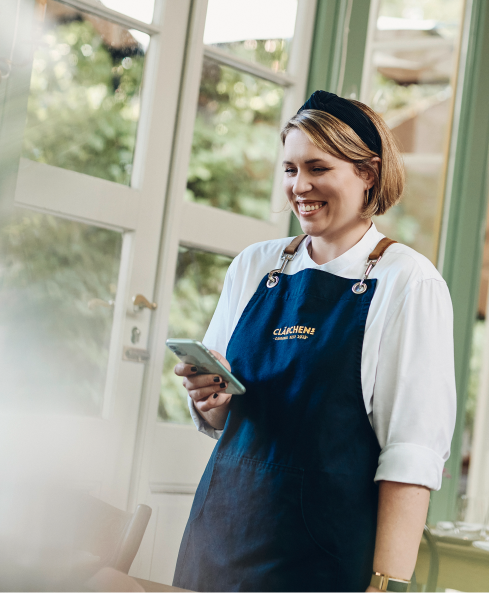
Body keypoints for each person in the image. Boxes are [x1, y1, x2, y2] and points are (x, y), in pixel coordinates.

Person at [172, 90, 456, 593]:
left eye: (318, 168)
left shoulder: (408, 282)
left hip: (323, 560)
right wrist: (207, 396)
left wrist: (388, 584)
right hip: (220, 540)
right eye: (289, 169)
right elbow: (226, 420)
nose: (300, 186)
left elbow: (410, 455)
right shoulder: (255, 266)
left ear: (367, 173)